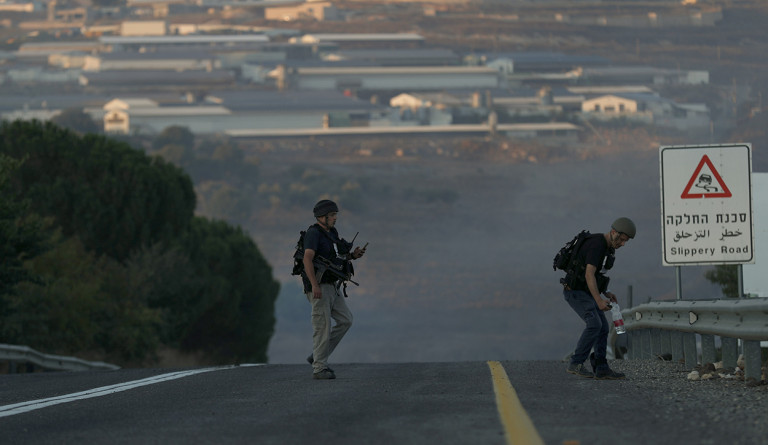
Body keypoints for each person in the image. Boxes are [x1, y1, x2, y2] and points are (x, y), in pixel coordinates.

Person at [563, 217, 636, 380]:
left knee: (603, 327)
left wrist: (607, 292)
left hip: (585, 292)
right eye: (622, 240)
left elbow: (596, 275)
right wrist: (599, 301)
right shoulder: (597, 245)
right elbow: (589, 274)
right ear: (614, 232)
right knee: (594, 324)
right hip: (575, 292)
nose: (623, 244)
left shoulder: (607, 248)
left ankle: (601, 368)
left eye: (626, 241)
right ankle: (576, 362)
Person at [301, 199, 366, 380]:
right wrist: (314, 285)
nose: (335, 218)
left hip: (332, 286)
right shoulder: (313, 234)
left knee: (346, 320)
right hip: (320, 286)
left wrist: (353, 256)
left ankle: (318, 354)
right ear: (322, 217)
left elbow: (338, 255)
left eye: (335, 215)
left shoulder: (331, 233)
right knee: (323, 325)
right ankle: (319, 367)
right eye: (332, 215)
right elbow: (307, 259)